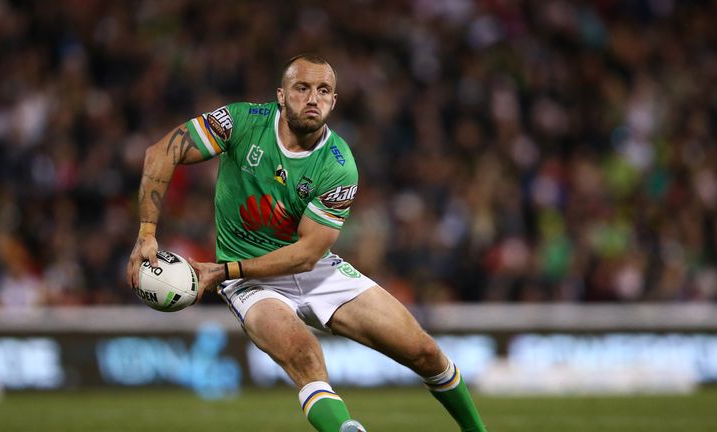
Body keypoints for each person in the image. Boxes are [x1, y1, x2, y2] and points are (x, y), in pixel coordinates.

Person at [126, 53, 487, 432]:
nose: (313, 98)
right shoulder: (242, 121)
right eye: (302, 88)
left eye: (324, 90)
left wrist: (220, 271)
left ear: (334, 101)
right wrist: (146, 236)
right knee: (305, 355)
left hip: (309, 268)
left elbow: (307, 254)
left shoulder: (338, 164)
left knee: (426, 352)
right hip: (249, 283)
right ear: (281, 95)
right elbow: (162, 151)